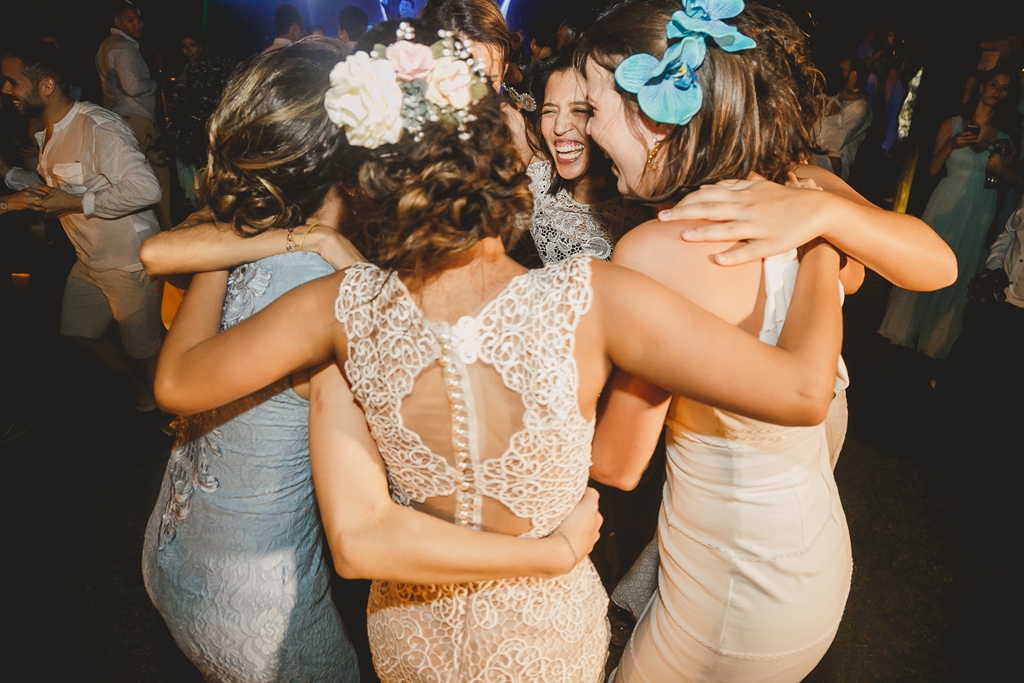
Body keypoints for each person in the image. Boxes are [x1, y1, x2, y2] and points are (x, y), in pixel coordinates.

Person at [154, 19, 847, 683]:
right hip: (540, 644)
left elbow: (182, 383)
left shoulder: (336, 307)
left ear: (368, 182)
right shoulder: (595, 299)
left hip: (409, 643)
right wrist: (816, 242)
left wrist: (248, 237)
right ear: (505, 165)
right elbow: (802, 390)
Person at [575, 1, 957, 679]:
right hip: (812, 552)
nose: (585, 126)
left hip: (734, 588)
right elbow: (930, 265)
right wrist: (822, 231)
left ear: (654, 114)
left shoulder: (657, 250)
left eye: (591, 105)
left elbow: (619, 459)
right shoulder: (790, 187)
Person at [140, 40, 367, 682]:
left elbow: (164, 253)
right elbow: (176, 381)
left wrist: (245, 229)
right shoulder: (323, 290)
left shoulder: (238, 245)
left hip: (173, 555)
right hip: (256, 615)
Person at [1, 40, 164, 412]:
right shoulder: (48, 132)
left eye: (12, 81)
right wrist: (9, 175)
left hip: (128, 263)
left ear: (46, 85)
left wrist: (77, 202)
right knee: (77, 332)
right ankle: (139, 384)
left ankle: (172, 418)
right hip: (90, 262)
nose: (5, 89)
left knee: (146, 351)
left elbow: (146, 188)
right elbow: (58, 190)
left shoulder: (96, 126)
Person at [879, 69, 1013, 360]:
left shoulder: (1004, 137)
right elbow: (932, 169)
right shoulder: (951, 124)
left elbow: (999, 181)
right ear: (982, 88)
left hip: (980, 204)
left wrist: (997, 167)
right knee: (929, 261)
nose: (997, 92)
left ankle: (936, 339)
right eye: (994, 85)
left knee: (961, 267)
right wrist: (953, 143)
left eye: (1004, 88)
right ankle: (905, 327)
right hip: (947, 198)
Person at [522, 53, 652, 263]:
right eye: (549, 111)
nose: (560, 126)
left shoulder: (647, 204)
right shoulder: (532, 186)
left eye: (579, 110)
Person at [95, 1, 172, 231]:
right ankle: (167, 230)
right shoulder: (124, 47)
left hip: (119, 119)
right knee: (159, 176)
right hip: (138, 119)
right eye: (131, 19)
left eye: (139, 18)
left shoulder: (105, 46)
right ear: (117, 21)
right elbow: (133, 87)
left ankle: (142, 231)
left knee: (132, 178)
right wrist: (155, 84)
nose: (138, 23)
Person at [167, 31, 235, 210]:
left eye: (193, 45)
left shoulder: (215, 72)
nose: (188, 51)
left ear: (203, 46)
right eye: (184, 46)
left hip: (211, 138)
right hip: (191, 142)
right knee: (197, 193)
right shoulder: (183, 76)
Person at [813, 57, 872, 180]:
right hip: (812, 165)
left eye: (842, 69)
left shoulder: (859, 108)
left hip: (831, 172)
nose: (837, 72)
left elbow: (831, 143)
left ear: (854, 75)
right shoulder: (830, 97)